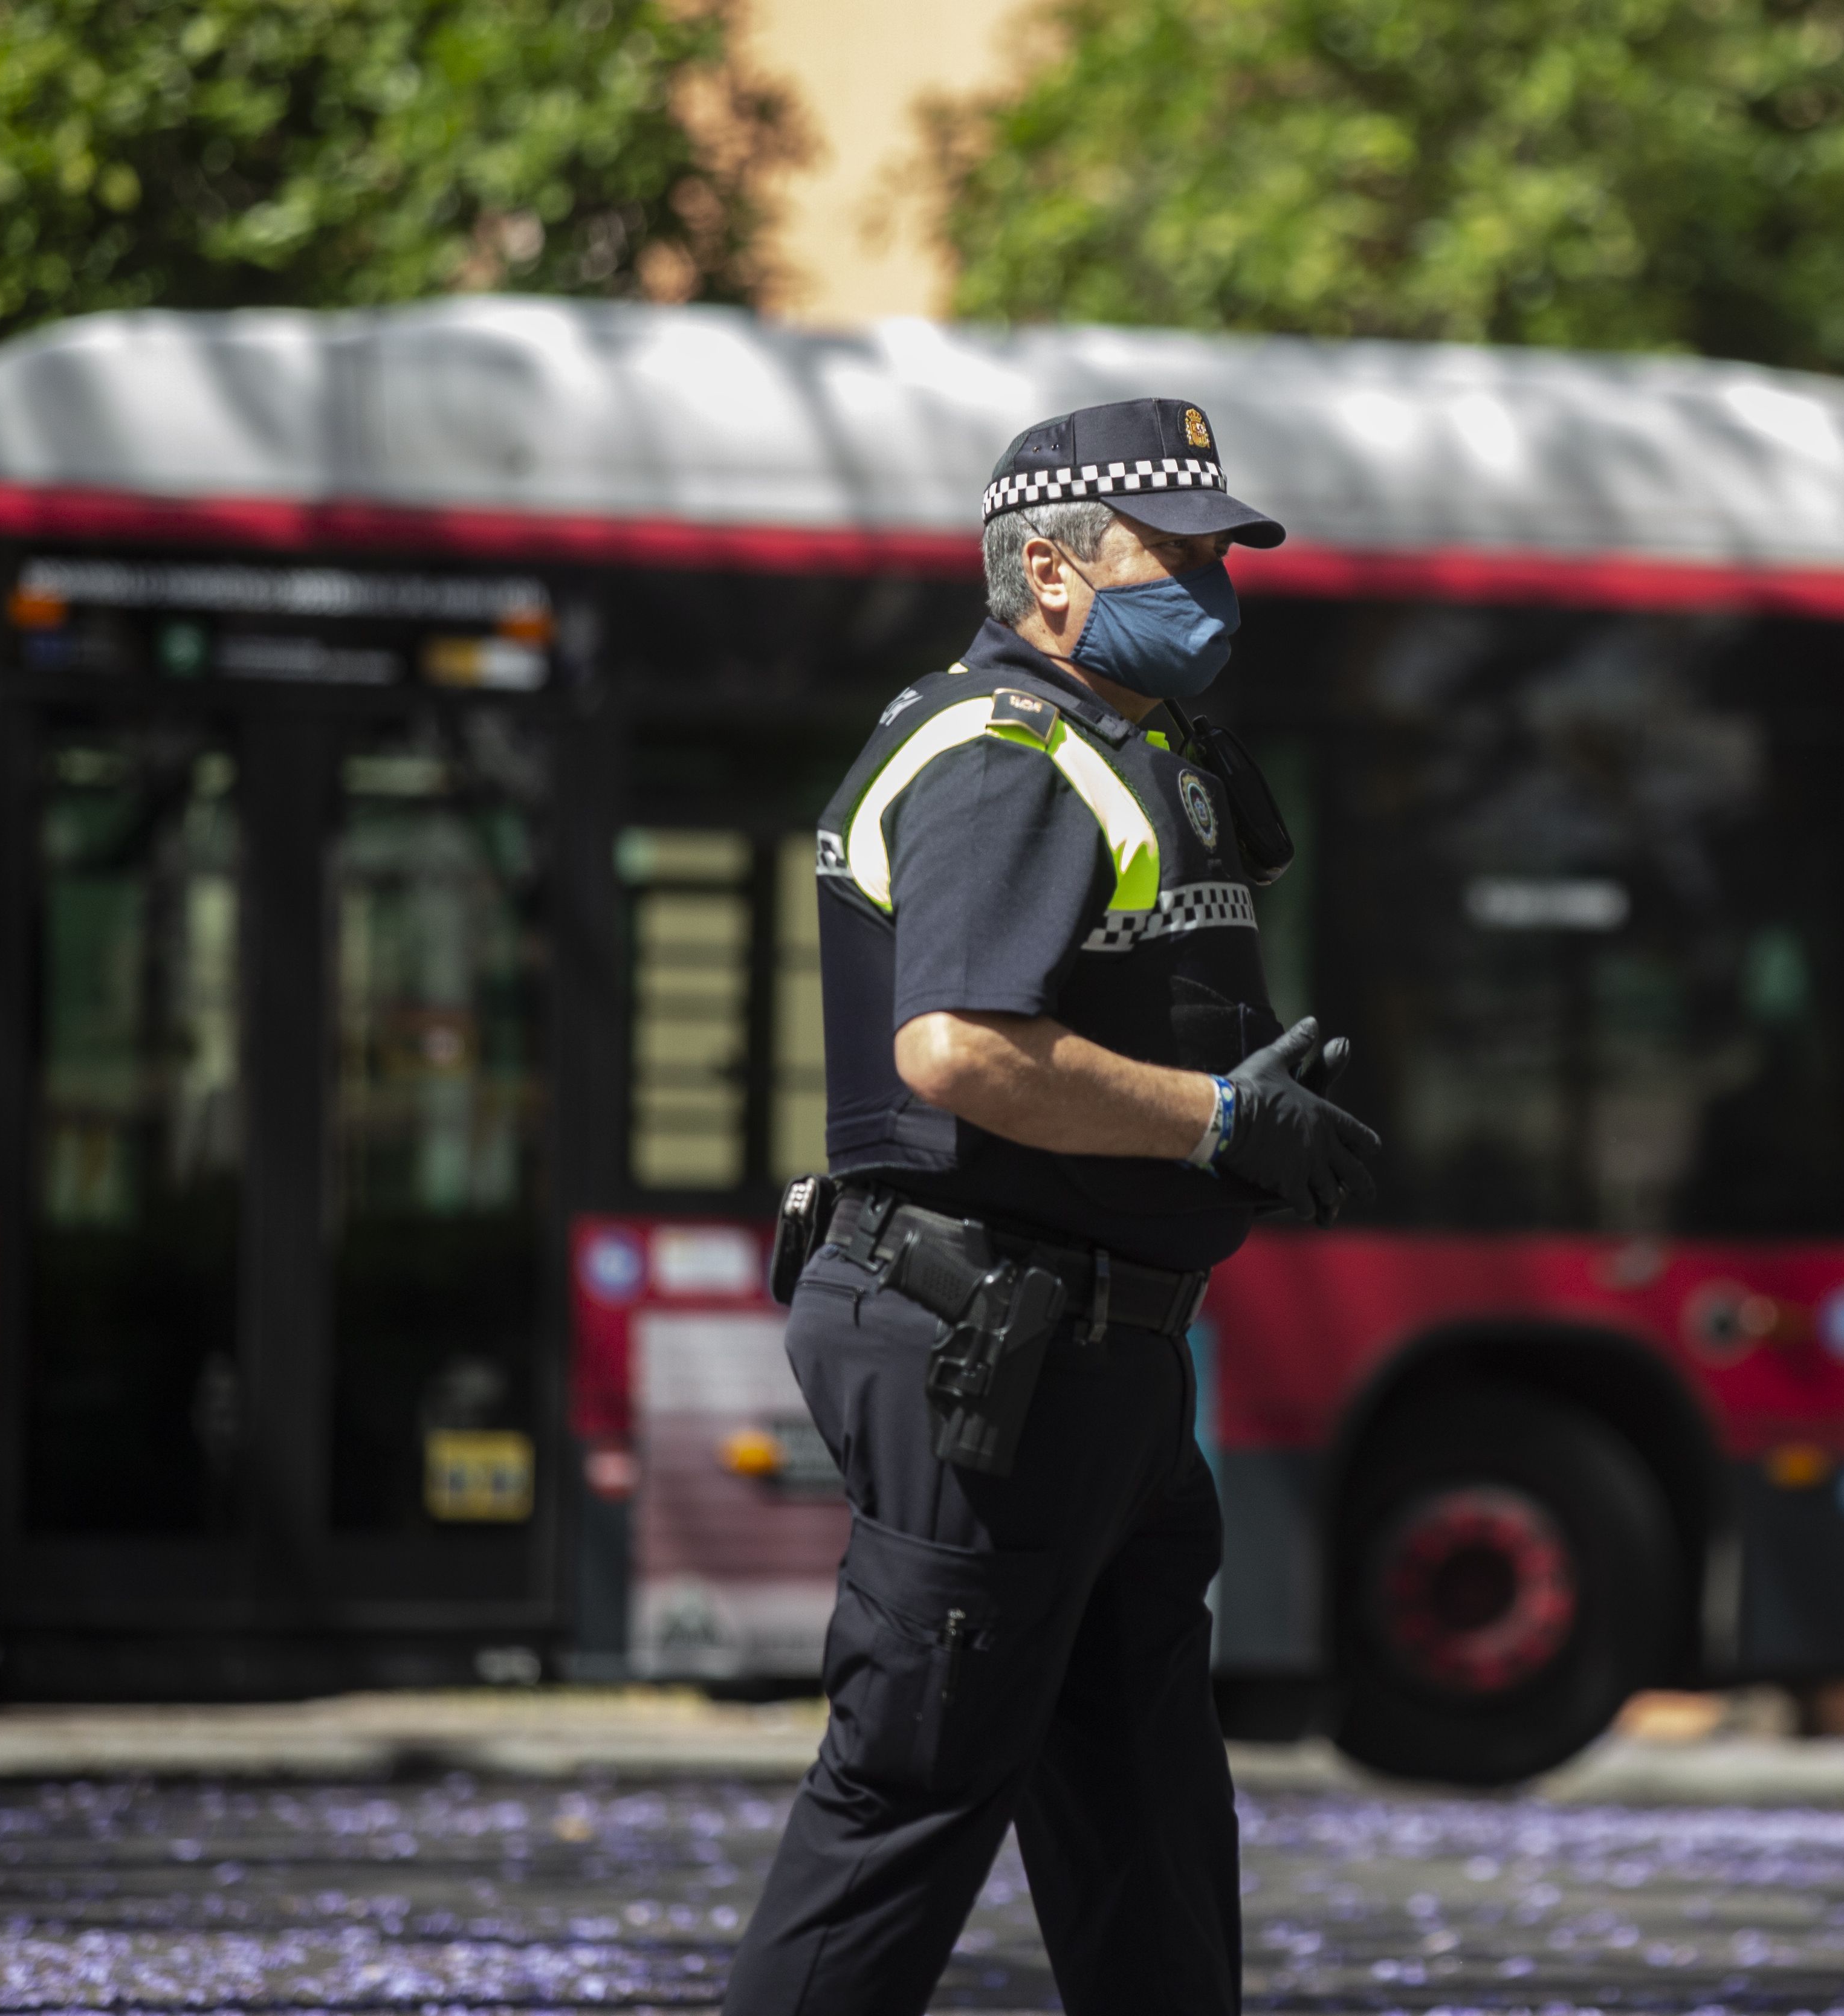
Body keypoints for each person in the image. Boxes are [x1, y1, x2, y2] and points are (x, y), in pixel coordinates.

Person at [722, 398, 1382, 2016]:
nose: (1218, 584)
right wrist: (1219, 1118)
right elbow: (953, 1051)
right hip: (991, 1346)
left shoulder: (1133, 746)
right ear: (1055, 576)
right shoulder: (1006, 754)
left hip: (1096, 1359)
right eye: (1184, 553)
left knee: (1151, 1828)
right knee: (910, 1805)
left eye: (1226, 553)